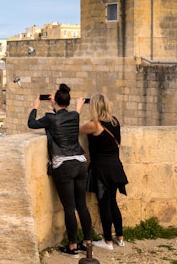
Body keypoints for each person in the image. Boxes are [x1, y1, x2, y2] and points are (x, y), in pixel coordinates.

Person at [28, 84, 92, 257]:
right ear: (68, 101)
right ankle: (87, 242)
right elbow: (67, 116)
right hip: (80, 162)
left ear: (55, 101)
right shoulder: (74, 116)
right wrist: (55, 104)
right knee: (82, 205)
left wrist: (36, 107)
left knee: (69, 207)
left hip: (63, 165)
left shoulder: (50, 118)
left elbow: (31, 123)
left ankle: (72, 246)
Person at [79, 93, 128, 251]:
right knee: (113, 202)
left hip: (102, 169)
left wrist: (77, 109)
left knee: (104, 204)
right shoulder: (115, 122)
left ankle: (108, 241)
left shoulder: (95, 125)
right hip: (115, 167)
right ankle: (120, 238)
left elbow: (76, 128)